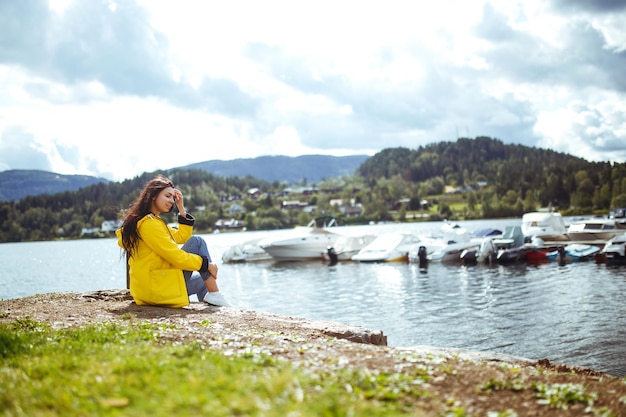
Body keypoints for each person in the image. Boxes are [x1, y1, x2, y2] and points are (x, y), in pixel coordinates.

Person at [116, 174, 231, 307]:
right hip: (156, 289)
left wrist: (181, 209)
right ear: (153, 196)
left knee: (202, 279)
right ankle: (215, 294)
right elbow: (176, 257)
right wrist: (206, 265)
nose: (171, 201)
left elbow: (182, 237)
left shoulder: (151, 222)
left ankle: (214, 304)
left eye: (173, 197)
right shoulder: (149, 225)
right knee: (198, 242)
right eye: (167, 196)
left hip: (152, 285)